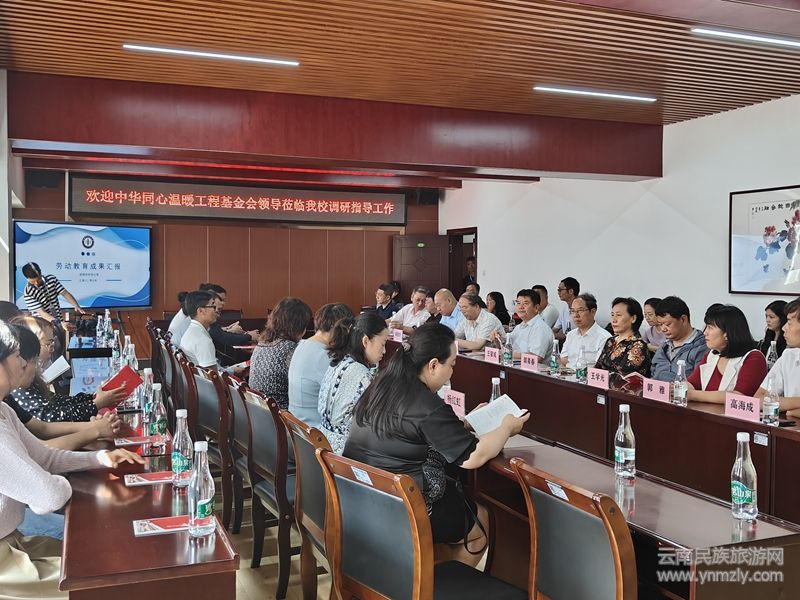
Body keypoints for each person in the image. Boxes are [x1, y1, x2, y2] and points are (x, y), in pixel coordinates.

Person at [345, 323, 529, 567]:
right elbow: (474, 456)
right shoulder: (425, 403)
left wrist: (465, 422)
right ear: (433, 365)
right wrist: (506, 427)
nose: (452, 372)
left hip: (362, 496)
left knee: (453, 514)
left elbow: (409, 428)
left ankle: (428, 576)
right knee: (481, 522)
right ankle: (433, 582)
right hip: (405, 507)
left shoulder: (383, 384)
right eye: (451, 365)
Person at [0, 319, 143, 599]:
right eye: (17, 356)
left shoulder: (4, 411)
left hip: (13, 540)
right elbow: (49, 496)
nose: (25, 363)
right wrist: (56, 483)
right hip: (5, 564)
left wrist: (101, 459)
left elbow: (45, 456)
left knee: (100, 551)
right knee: (106, 576)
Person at [10, 316, 127, 422]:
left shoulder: (31, 379)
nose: (52, 349)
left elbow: (58, 401)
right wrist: (96, 404)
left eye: (52, 343)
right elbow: (51, 418)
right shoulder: (20, 385)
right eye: (48, 344)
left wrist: (93, 397)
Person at [319, 312, 388, 453]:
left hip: (324, 446)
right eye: (383, 344)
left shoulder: (340, 362)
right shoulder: (361, 374)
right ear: (365, 341)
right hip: (344, 455)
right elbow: (377, 421)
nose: (384, 350)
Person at [288, 303, 354, 428]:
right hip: (315, 431)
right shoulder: (323, 355)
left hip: (298, 426)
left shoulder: (302, 345)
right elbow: (347, 397)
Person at [684, 304, 767, 403]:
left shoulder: (754, 358)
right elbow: (692, 384)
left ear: (727, 334)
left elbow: (738, 397)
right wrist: (681, 388)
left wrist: (693, 395)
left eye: (710, 327)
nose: (705, 332)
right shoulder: (711, 355)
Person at [250, 297, 312, 410]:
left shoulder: (262, 343)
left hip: (259, 410)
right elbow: (306, 386)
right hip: (281, 414)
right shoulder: (290, 348)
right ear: (298, 326)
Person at [755, 297, 800, 417]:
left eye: (789, 323)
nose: (784, 328)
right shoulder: (788, 357)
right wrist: (796, 405)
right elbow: (759, 398)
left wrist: (790, 409)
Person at [650, 296, 709, 382]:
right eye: (660, 324)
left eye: (667, 324)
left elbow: (700, 383)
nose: (663, 329)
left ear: (683, 319)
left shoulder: (702, 347)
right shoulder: (664, 347)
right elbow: (653, 373)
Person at [594, 297, 651, 377]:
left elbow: (622, 377)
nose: (613, 320)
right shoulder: (611, 341)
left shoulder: (638, 346)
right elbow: (598, 368)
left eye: (618, 315)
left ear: (633, 318)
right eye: (612, 315)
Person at [21, 262, 86, 326]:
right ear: (27, 278)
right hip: (43, 326)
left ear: (41, 273)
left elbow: (65, 293)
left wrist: (76, 305)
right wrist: (59, 324)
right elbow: (42, 312)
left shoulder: (51, 279)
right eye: (33, 281)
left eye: (38, 279)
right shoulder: (28, 292)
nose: (36, 283)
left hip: (58, 320)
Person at [499, 289, 553, 361]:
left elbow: (537, 357)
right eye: (518, 303)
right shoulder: (519, 327)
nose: (520, 307)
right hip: (514, 365)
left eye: (525, 303)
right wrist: (498, 339)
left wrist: (509, 353)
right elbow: (508, 346)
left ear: (536, 308)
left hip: (532, 368)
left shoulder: (540, 328)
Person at [559, 293, 611, 368]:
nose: (576, 315)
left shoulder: (604, 338)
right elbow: (563, 359)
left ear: (593, 312)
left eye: (580, 310)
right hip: (568, 373)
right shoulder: (570, 335)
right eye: (572, 311)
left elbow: (599, 367)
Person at [178, 290, 219, 369]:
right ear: (200, 311)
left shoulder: (192, 331)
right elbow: (212, 375)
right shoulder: (202, 340)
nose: (216, 310)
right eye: (213, 306)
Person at [553, 277, 580, 343]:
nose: (558, 293)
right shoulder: (565, 309)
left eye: (560, 290)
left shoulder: (582, 309)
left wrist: (564, 336)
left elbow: (581, 334)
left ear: (571, 291)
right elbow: (554, 330)